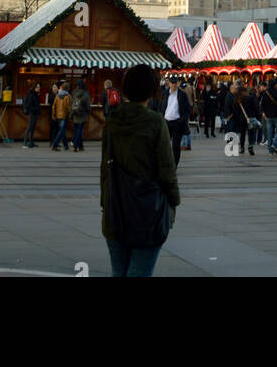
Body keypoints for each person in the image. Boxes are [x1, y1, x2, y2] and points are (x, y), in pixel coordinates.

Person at [100, 63, 180, 278]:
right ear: (151, 91)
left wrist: (105, 203)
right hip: (147, 214)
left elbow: (105, 170)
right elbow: (167, 170)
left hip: (115, 212)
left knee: (119, 272)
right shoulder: (155, 123)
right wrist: (174, 201)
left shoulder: (111, 122)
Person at [163, 76, 190, 166]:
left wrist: (182, 120)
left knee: (176, 146)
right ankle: (166, 163)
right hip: (166, 122)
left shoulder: (182, 95)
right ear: (169, 84)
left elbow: (187, 110)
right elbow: (161, 107)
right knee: (165, 145)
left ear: (177, 84)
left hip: (177, 123)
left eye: (175, 83)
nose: (174, 85)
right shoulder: (165, 94)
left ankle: (174, 165)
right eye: (172, 83)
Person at [229, 82, 260, 157]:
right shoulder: (250, 98)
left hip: (242, 119)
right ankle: (250, 146)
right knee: (251, 133)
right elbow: (256, 107)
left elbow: (235, 110)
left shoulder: (238, 100)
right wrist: (256, 116)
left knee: (242, 134)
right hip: (250, 118)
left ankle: (242, 148)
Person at [260, 77, 277, 155]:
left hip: (268, 116)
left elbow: (262, 104)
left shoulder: (265, 93)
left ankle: (270, 151)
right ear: (275, 85)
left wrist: (264, 112)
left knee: (269, 133)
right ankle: (275, 144)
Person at [71, 79, 91, 152]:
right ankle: (76, 146)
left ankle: (81, 146)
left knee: (76, 131)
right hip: (82, 114)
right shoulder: (85, 94)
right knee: (79, 131)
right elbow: (88, 106)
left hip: (75, 113)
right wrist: (88, 112)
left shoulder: (74, 93)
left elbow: (71, 103)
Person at [51, 82, 72, 150]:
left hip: (58, 115)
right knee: (61, 131)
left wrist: (54, 115)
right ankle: (55, 144)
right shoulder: (67, 96)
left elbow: (54, 106)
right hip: (64, 115)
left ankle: (66, 145)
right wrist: (70, 115)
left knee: (62, 130)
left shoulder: (57, 95)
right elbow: (68, 107)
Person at [22, 81, 41, 148]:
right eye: (37, 87)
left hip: (35, 113)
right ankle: (25, 143)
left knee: (32, 128)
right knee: (29, 127)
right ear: (34, 87)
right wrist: (35, 109)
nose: (39, 88)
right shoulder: (31, 94)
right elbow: (29, 105)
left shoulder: (36, 94)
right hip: (32, 113)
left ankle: (31, 142)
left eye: (39, 87)